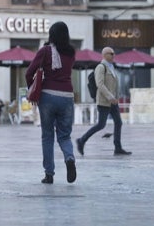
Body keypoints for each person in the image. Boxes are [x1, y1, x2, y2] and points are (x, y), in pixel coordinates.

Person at [25, 21, 77, 185]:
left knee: (47, 136)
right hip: (67, 96)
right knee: (64, 135)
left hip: (48, 96)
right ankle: (69, 158)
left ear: (51, 35)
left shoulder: (45, 51)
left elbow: (29, 73)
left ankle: (49, 174)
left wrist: (32, 89)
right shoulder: (71, 53)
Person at [76, 47, 132, 157]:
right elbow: (100, 84)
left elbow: (114, 85)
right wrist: (111, 97)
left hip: (113, 102)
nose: (113, 55)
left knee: (118, 122)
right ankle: (81, 140)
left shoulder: (111, 67)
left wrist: (116, 97)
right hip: (104, 101)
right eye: (111, 53)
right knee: (101, 125)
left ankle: (118, 148)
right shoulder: (101, 67)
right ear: (105, 54)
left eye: (114, 53)